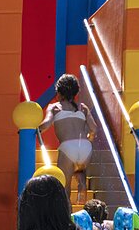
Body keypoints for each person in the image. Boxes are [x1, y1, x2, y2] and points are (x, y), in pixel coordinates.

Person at [39, 74, 98, 207]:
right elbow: (94, 128)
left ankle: (68, 214)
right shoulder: (82, 107)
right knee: (80, 171)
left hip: (67, 147)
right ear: (76, 91)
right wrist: (89, 139)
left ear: (58, 92)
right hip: (85, 147)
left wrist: (34, 129)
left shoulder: (55, 107)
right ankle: (82, 184)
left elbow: (46, 124)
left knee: (64, 186)